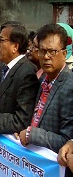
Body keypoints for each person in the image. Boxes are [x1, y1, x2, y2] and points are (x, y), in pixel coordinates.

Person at [17, 24, 73, 153]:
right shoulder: (42, 79)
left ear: (64, 54)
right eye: (42, 51)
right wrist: (23, 133)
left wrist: (32, 135)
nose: (46, 56)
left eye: (52, 51)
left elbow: (67, 141)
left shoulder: (69, 86)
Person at [0, 22, 40, 134]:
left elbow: (22, 120)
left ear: (15, 47)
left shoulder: (27, 73)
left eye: (2, 40)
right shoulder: (2, 67)